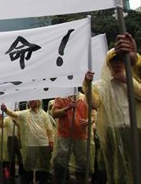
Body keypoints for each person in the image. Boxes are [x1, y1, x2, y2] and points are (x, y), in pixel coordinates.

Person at [82, 33, 141, 184]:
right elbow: (94, 103)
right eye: (113, 60)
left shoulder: (132, 79)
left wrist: (126, 80)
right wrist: (87, 85)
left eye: (120, 59)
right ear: (108, 64)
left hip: (135, 129)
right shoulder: (101, 85)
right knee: (118, 168)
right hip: (112, 130)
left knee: (135, 166)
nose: (117, 63)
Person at [2, 100, 54, 184]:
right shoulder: (25, 113)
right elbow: (14, 114)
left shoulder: (44, 114)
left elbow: (49, 129)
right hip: (31, 144)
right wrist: (6, 110)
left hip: (43, 143)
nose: (30, 102)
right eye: (30, 100)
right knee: (29, 166)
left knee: (44, 166)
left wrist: (51, 142)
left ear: (38, 102)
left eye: (33, 100)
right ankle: (29, 181)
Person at [51, 91, 89, 184]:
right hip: (64, 135)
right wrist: (67, 108)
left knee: (82, 163)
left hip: (81, 136)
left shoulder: (84, 98)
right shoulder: (60, 97)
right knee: (60, 163)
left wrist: (89, 120)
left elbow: (93, 112)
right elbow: (54, 113)